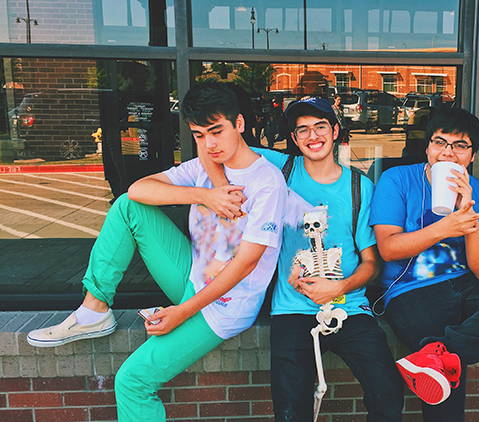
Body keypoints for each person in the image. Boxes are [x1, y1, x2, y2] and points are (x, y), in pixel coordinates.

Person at [26, 81, 287, 422]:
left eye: (216, 131)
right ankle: (94, 309)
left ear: (239, 124)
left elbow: (247, 262)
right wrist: (206, 195)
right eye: (198, 135)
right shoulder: (203, 168)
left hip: (225, 305)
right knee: (127, 207)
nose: (209, 144)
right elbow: (137, 190)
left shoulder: (266, 182)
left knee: (132, 381)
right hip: (190, 275)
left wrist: (181, 313)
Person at [202, 96, 404, 421]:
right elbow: (217, 152)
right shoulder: (277, 170)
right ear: (294, 139)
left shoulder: (360, 187)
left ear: (336, 130)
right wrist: (220, 195)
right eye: (303, 130)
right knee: (290, 406)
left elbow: (371, 262)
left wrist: (339, 285)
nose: (313, 136)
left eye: (320, 127)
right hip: (293, 309)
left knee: (387, 392)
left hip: (348, 306)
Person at [369, 107, 479, 420]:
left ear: (472, 155)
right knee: (447, 384)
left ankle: (436, 355)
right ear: (428, 148)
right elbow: (388, 249)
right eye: (440, 142)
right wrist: (444, 228)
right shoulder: (397, 179)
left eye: (460, 146)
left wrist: (469, 217)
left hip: (465, 286)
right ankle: (441, 356)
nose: (448, 153)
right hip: (410, 291)